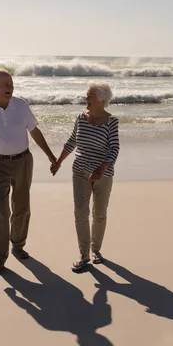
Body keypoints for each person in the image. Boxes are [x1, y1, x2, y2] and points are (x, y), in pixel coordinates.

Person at [0, 68, 57, 270]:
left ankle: (18, 246)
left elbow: (34, 131)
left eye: (11, 83)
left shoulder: (21, 105)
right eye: (6, 84)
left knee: (22, 207)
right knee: (0, 210)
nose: (10, 87)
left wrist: (51, 156)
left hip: (23, 161)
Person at [51, 82, 120, 272]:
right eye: (86, 95)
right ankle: (84, 254)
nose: (86, 98)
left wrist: (101, 168)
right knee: (80, 212)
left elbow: (114, 148)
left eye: (90, 96)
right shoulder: (81, 118)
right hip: (80, 171)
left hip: (102, 175)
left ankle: (96, 250)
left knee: (99, 214)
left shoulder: (111, 122)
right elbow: (72, 141)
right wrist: (58, 161)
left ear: (102, 100)